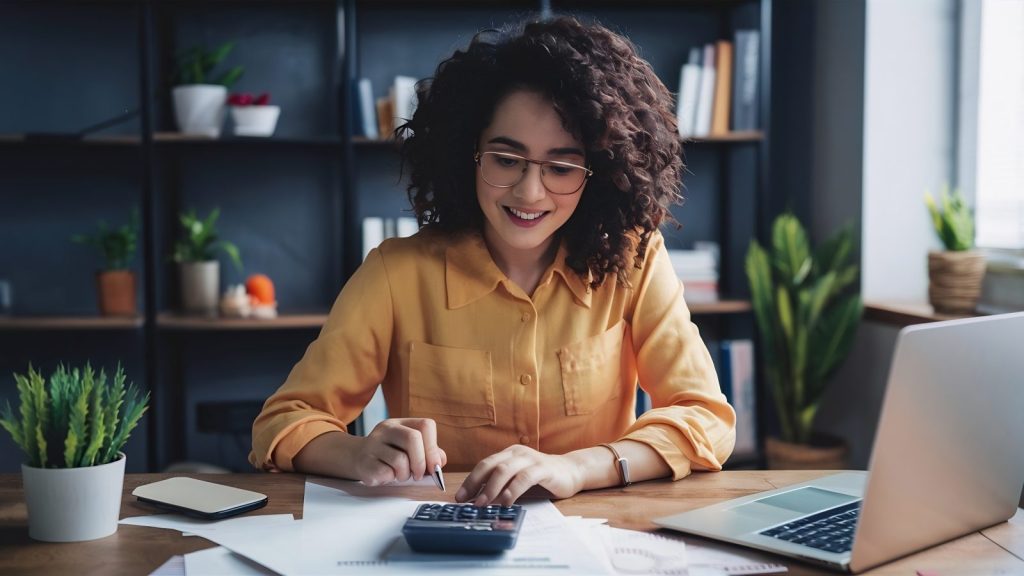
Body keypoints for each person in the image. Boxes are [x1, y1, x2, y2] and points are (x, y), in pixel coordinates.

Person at [250, 16, 735, 506]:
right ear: (468, 153)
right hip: (443, 533)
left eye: (561, 168)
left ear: (600, 172)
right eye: (505, 160)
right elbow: (284, 421)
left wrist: (580, 468)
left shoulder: (635, 261)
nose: (529, 192)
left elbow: (706, 418)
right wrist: (357, 453)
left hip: (597, 531)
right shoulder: (396, 274)